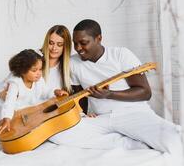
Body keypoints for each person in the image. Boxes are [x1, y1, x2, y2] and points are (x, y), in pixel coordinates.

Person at [49, 19, 183, 164]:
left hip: (131, 113)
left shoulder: (121, 55)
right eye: (75, 43)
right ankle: (127, 143)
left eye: (83, 42)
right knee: (57, 134)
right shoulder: (73, 62)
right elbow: (80, 96)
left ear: (98, 38)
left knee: (172, 139)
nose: (78, 48)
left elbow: (145, 92)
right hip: (101, 119)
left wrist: (110, 94)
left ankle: (134, 135)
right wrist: (84, 114)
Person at [0, 49, 67, 135]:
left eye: (40, 69)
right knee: (13, 129)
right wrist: (6, 119)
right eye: (34, 70)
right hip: (12, 111)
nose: (39, 73)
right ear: (22, 71)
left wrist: (55, 92)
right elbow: (9, 102)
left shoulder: (38, 80)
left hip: (27, 109)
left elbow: (45, 91)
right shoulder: (15, 83)